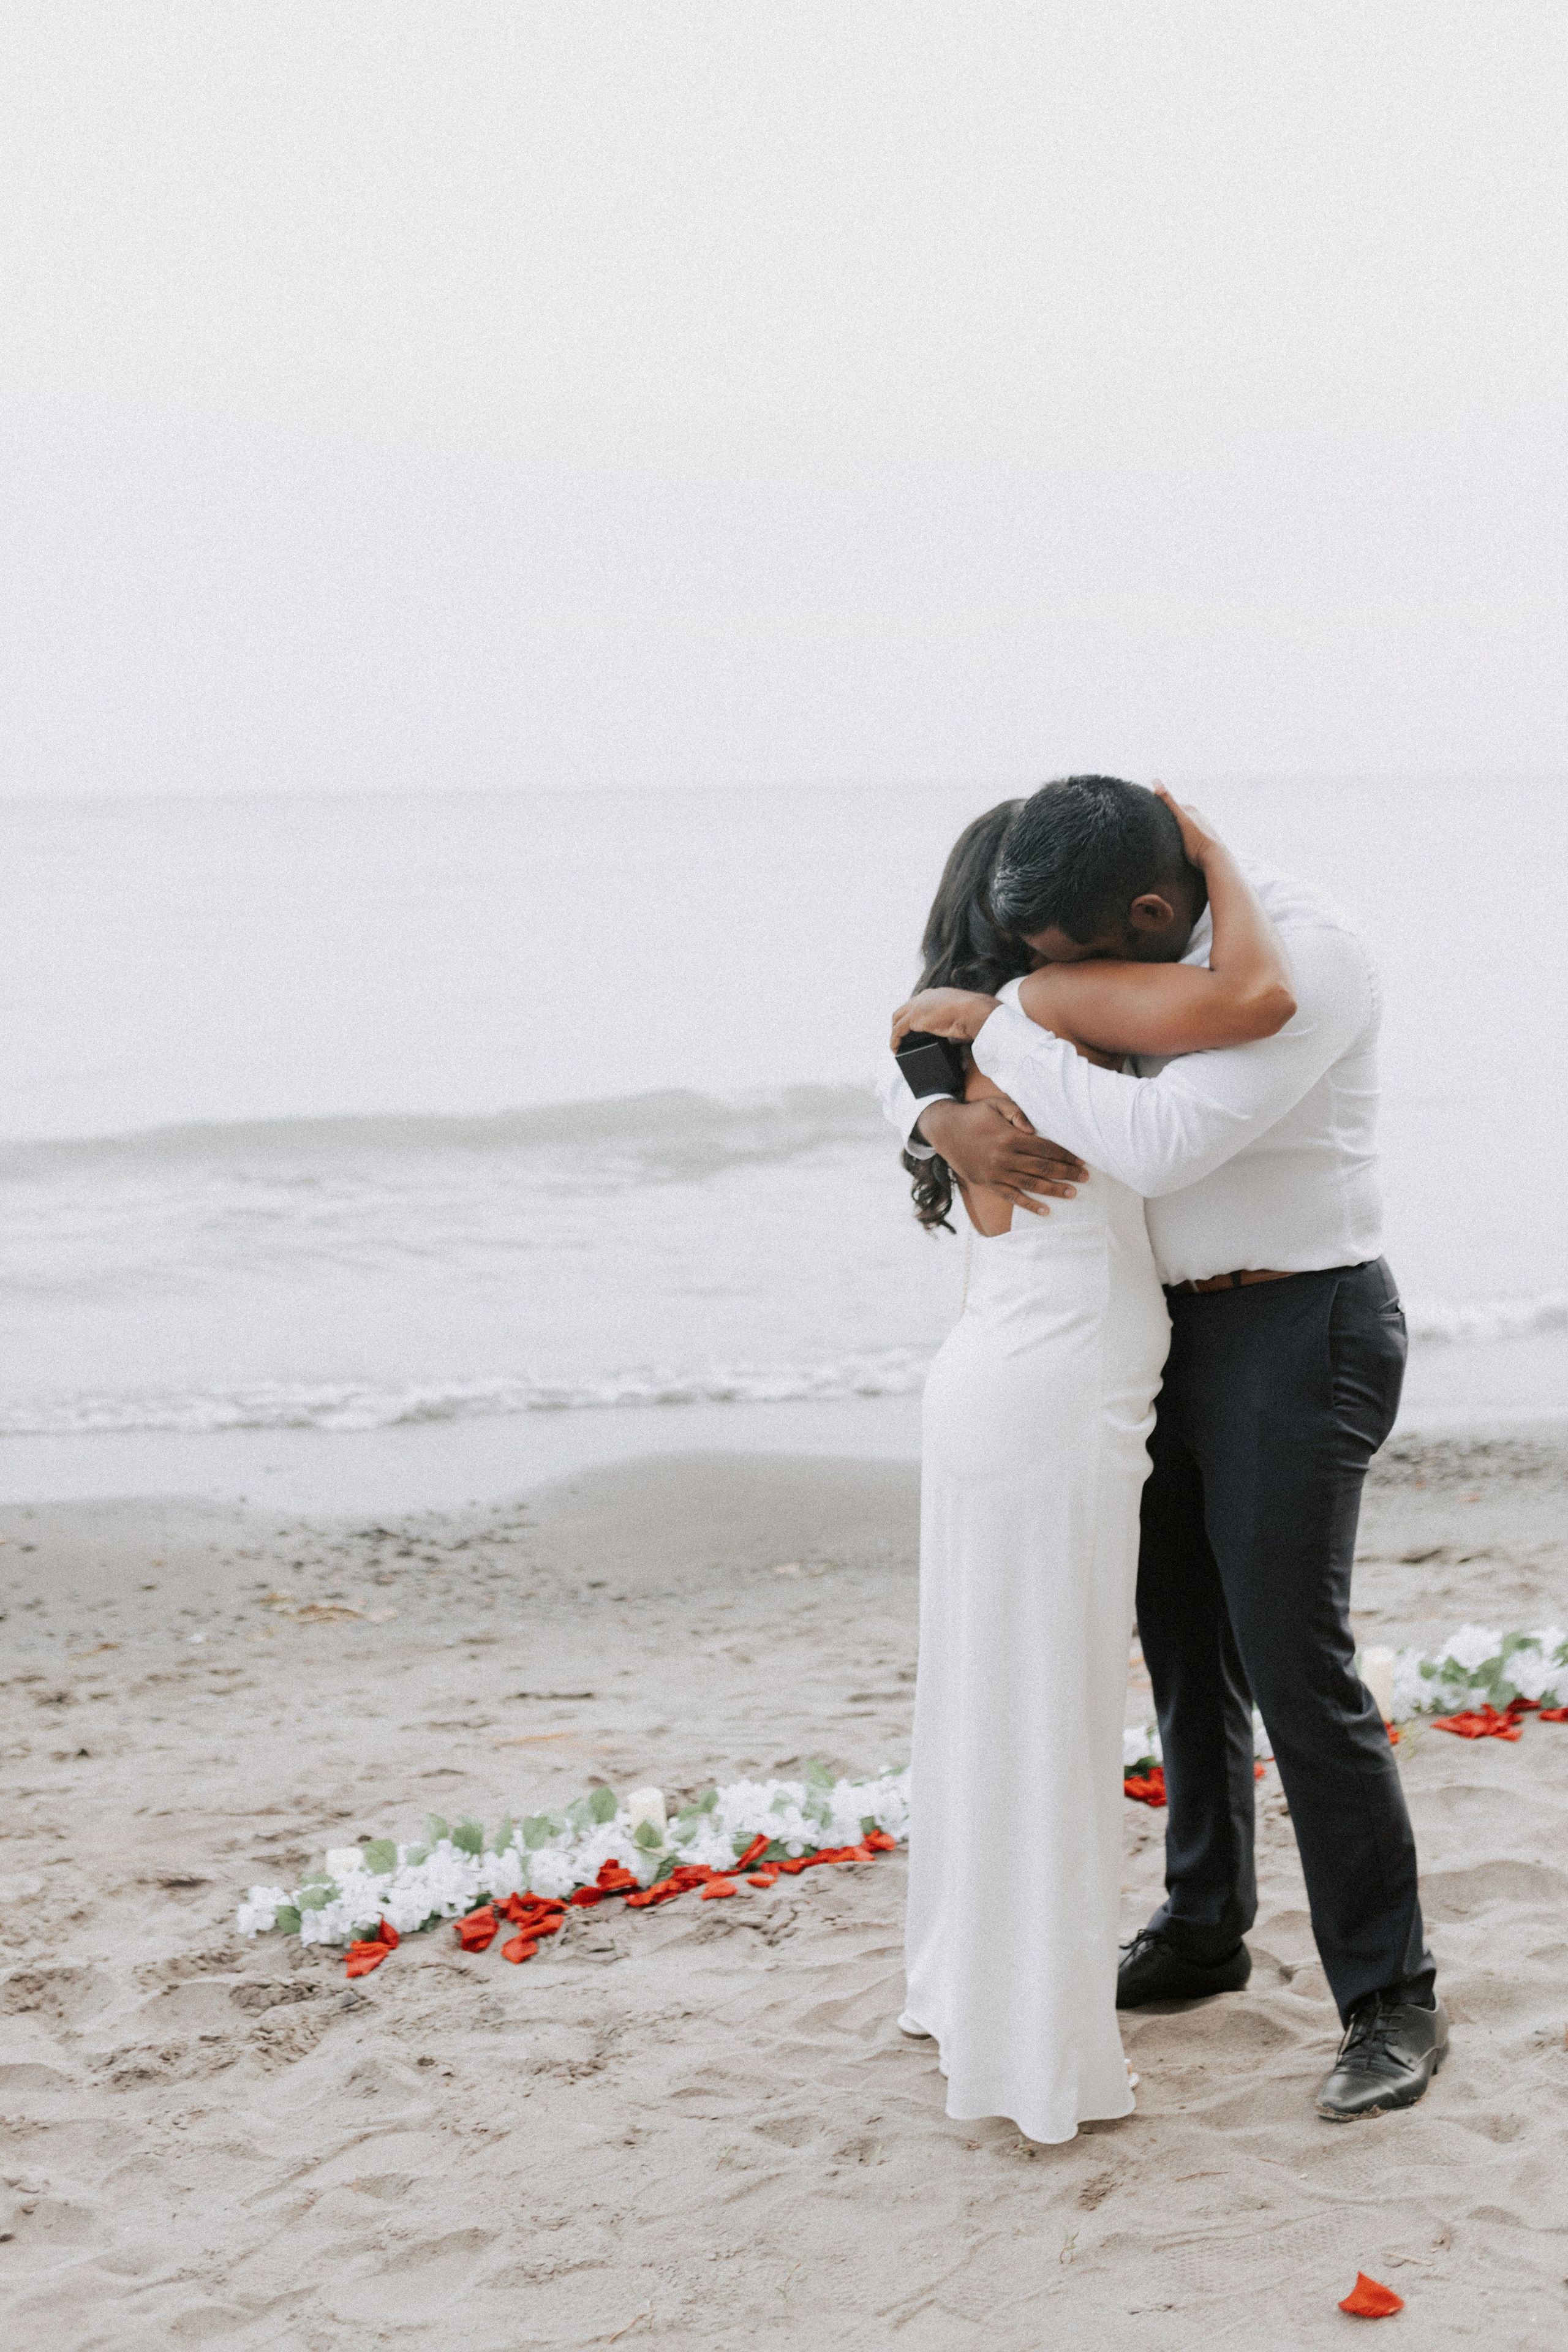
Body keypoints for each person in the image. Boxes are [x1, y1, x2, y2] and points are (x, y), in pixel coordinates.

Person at [883, 775, 1447, 2127]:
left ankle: (1388, 1996)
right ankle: (1204, 1923)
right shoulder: (1119, 958)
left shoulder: (1307, 956)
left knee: (1289, 1652)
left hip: (1296, 1318)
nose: (1045, 978)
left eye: (1062, 961)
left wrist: (1008, 1043)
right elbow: (946, 1018)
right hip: (1160, 1338)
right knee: (1183, 1646)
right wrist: (936, 1109)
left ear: (1142, 909)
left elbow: (1162, 1141)